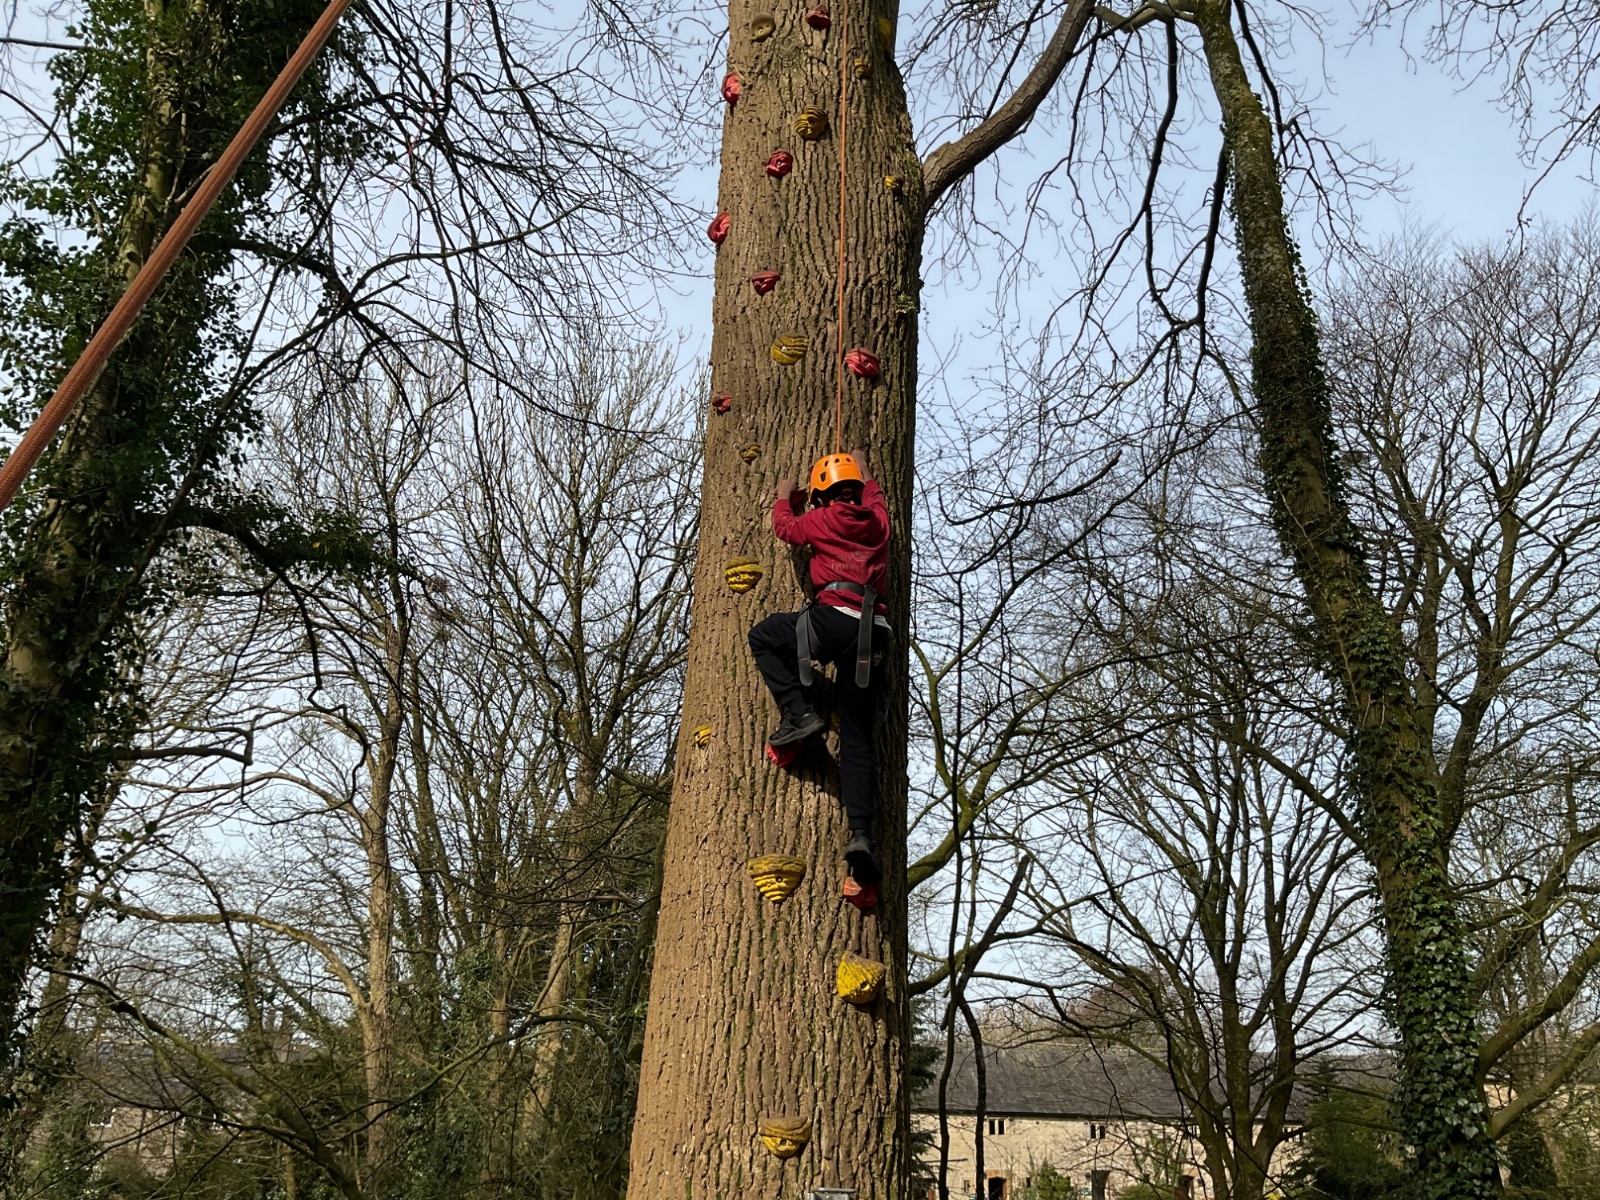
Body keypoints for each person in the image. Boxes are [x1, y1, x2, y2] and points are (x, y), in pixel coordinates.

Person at [748, 450, 890, 886]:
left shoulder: (821, 518)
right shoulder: (877, 521)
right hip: (874, 631)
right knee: (858, 736)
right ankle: (861, 835)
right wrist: (866, 469)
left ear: (824, 496)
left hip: (834, 620)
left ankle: (798, 712)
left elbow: (785, 529)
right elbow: (876, 496)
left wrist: (783, 496)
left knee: (764, 636)